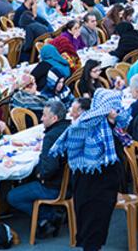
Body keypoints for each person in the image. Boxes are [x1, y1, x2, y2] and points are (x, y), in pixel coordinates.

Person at [50, 88, 131, 251]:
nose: (118, 111)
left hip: (100, 185)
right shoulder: (87, 126)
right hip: (92, 184)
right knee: (91, 224)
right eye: (115, 107)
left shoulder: (108, 127)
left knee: (95, 225)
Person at [7, 100, 70, 239]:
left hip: (54, 188)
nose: (41, 119)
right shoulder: (68, 128)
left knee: (12, 197)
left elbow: (50, 168)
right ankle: (49, 214)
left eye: (44, 115)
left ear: (54, 118)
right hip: (70, 184)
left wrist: (39, 174)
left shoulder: (51, 136)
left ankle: (49, 216)